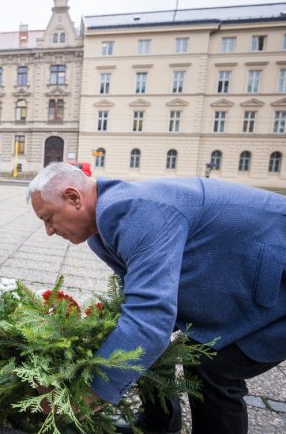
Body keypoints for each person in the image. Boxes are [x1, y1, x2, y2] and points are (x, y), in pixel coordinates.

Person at [26, 162, 285, 434]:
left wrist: (88, 393)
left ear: (73, 197)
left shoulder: (132, 211)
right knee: (144, 343)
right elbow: (141, 301)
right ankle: (157, 426)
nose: (49, 230)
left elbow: (150, 317)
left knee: (214, 366)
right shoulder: (101, 228)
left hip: (278, 279)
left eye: (48, 218)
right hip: (249, 275)